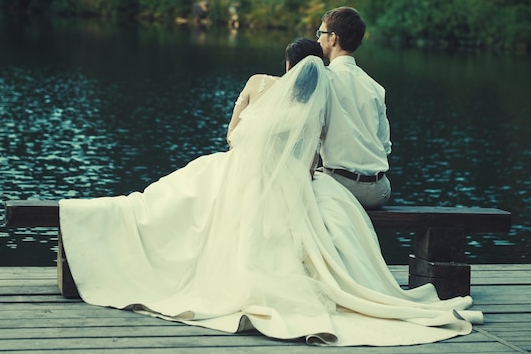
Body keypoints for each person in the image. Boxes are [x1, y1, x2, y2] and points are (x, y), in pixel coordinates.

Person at [59, 39, 482, 347]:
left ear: (286, 63)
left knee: (173, 197)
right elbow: (311, 156)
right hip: (291, 181)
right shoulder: (313, 103)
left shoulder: (259, 82)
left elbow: (233, 136)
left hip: (241, 168)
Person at [316, 7, 392, 209]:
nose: (318, 40)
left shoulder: (324, 78)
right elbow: (385, 146)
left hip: (341, 186)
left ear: (333, 38)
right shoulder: (375, 86)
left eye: (321, 33)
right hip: (379, 191)